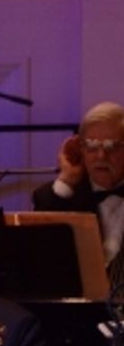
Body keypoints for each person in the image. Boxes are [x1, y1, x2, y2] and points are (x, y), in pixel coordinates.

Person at [32, 101, 124, 284]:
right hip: (76, 309)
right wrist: (67, 179)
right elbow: (37, 250)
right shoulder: (61, 194)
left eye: (112, 146)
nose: (100, 156)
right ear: (80, 149)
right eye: (91, 146)